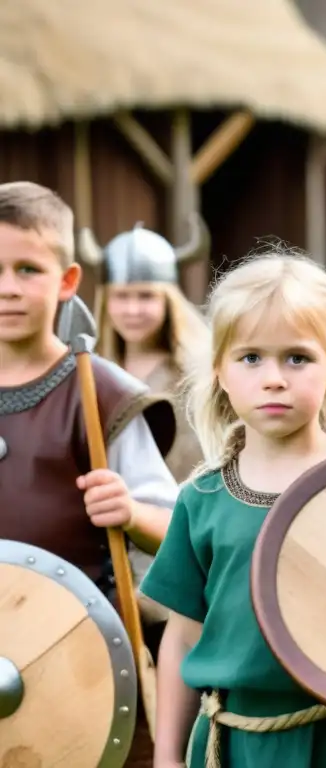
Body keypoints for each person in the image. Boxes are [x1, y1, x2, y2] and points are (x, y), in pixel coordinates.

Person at [139, 251, 326, 768]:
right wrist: (167, 757)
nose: (274, 378)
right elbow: (183, 638)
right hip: (241, 745)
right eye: (251, 357)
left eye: (297, 358)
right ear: (221, 372)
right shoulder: (202, 500)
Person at [0, 180, 179, 767]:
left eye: (28, 269)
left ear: (68, 281)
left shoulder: (98, 393)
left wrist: (129, 512)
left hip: (80, 658)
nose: (8, 288)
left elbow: (179, 528)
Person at [80, 218, 211, 641]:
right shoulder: (89, 374)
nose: (133, 310)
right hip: (106, 562)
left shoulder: (199, 377)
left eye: (146, 296)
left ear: (168, 299)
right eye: (122, 297)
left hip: (182, 549)